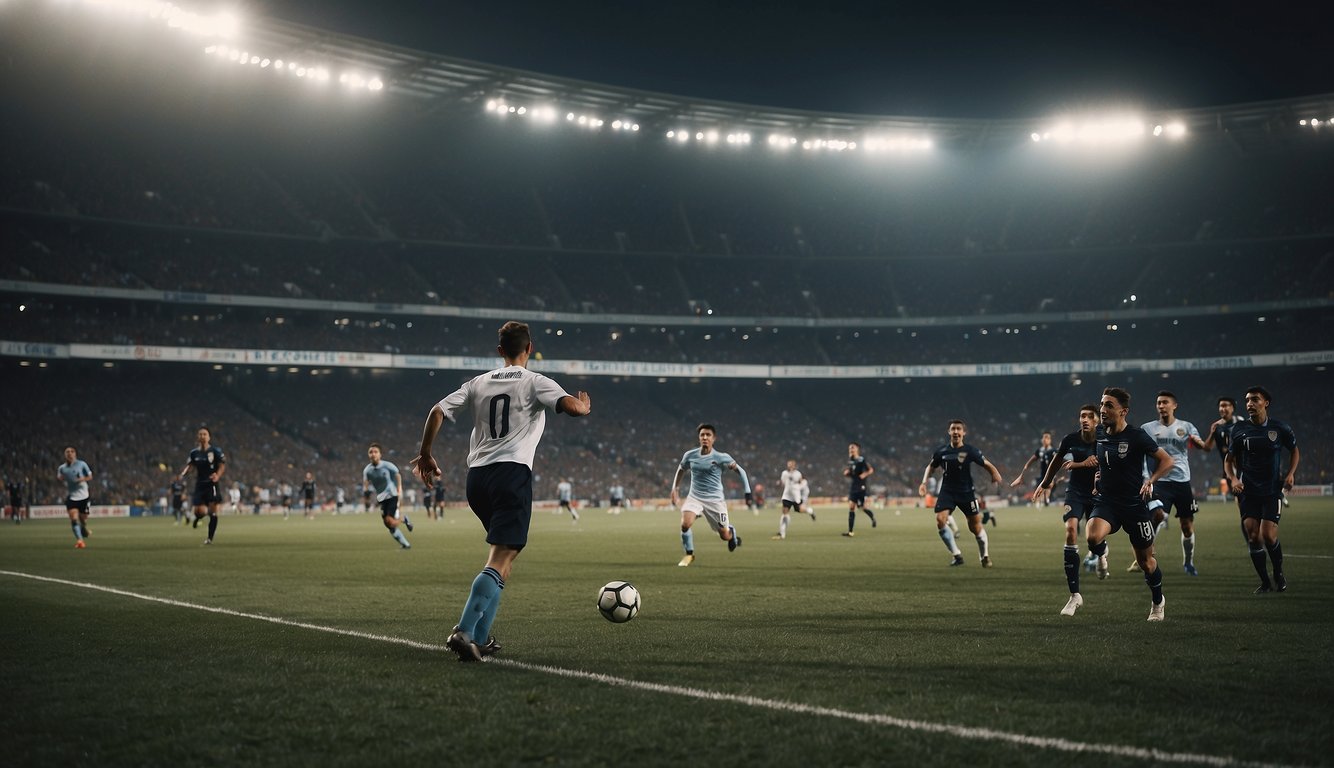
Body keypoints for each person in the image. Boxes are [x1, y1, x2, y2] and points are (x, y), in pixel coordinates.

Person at [412, 321, 590, 662]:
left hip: (477, 479)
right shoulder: (536, 381)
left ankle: (481, 636)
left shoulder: (478, 382)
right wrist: (583, 405)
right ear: (529, 348)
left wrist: (426, 453)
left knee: (503, 558)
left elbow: (437, 411)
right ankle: (464, 631)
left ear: (499, 351)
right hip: (511, 474)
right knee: (500, 558)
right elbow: (571, 407)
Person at [1086, 387, 1176, 621]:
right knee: (1093, 537)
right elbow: (1103, 460)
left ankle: (1158, 602)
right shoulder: (1099, 433)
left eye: (1108, 406)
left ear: (1123, 411)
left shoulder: (1136, 437)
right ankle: (1102, 554)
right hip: (1107, 502)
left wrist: (1151, 480)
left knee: (1146, 563)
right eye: (1102, 404)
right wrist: (1099, 476)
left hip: (1134, 506)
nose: (1102, 409)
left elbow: (1167, 461)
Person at [1225, 386, 1299, 594]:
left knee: (1268, 535)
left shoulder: (1280, 428)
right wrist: (1232, 478)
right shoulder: (1238, 429)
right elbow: (1228, 460)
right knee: (1253, 537)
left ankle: (1278, 572)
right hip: (1248, 490)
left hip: (1271, 490)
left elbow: (1294, 451)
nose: (1250, 403)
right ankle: (1265, 581)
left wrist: (1291, 473)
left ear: (1266, 403)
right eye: (1247, 400)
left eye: (1255, 399)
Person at [1129, 391, 1207, 575]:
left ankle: (1188, 562)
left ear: (1174, 405)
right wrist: (1146, 477)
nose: (1161, 406)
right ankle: (1144, 556)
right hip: (1160, 481)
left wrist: (1201, 440)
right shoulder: (1147, 428)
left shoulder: (1186, 427)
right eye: (1158, 403)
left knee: (1187, 526)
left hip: (1182, 482)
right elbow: (1139, 453)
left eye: (1165, 402)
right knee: (1156, 516)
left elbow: (1203, 446)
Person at [1034, 405, 1101, 616]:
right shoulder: (1070, 439)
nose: (1085, 419)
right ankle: (1074, 596)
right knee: (1071, 530)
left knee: (1094, 538)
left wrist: (1083, 465)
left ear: (1097, 420)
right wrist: (1045, 483)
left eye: (1090, 416)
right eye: (1082, 416)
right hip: (1075, 492)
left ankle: (1101, 555)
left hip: (1098, 491)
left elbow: (1105, 462)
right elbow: (1057, 461)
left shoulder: (1105, 439)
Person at [918, 420, 1003, 566]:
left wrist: (994, 473)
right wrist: (924, 482)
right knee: (940, 520)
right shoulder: (941, 451)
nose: (956, 432)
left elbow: (986, 463)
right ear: (949, 432)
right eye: (953, 429)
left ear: (964, 433)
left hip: (966, 493)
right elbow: (930, 467)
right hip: (947, 491)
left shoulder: (970, 450)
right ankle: (957, 556)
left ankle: (984, 556)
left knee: (975, 526)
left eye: (959, 429)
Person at [670, 423, 752, 567]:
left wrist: (747, 492)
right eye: (702, 435)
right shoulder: (690, 455)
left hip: (715, 501)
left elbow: (741, 471)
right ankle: (689, 554)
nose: (705, 437)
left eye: (708, 435)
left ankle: (731, 531)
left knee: (724, 536)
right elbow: (681, 469)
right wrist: (674, 488)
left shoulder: (722, 457)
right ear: (699, 438)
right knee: (685, 524)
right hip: (695, 497)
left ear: (714, 439)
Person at [178, 427, 225, 545]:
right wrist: (184, 473)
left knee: (213, 512)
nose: (203, 436)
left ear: (209, 437)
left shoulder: (215, 451)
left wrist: (217, 475)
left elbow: (222, 465)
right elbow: (190, 465)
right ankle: (197, 519)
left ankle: (210, 538)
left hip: (212, 484)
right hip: (200, 485)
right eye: (201, 434)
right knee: (198, 511)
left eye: (205, 434)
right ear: (198, 437)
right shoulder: (194, 453)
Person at [363, 443, 412, 549]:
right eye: (370, 452)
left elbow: (398, 474)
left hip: (392, 495)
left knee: (389, 520)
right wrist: (366, 498)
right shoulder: (367, 470)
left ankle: (403, 518)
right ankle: (405, 544)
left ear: (380, 454)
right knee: (389, 526)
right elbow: (365, 485)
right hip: (381, 498)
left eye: (375, 452)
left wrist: (399, 488)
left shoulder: (387, 465)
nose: (373, 454)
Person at [1201, 396, 1245, 497]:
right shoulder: (1217, 426)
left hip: (1243, 467)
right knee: (1238, 496)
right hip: (1228, 469)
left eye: (1225, 405)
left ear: (1232, 408)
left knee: (1247, 497)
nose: (1222, 408)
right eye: (1221, 406)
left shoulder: (1240, 422)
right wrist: (1212, 433)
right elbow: (1207, 448)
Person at [57, 448, 94, 548]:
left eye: (72, 452)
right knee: (74, 518)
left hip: (84, 496)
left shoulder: (82, 464)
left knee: (83, 519)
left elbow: (90, 476)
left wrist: (82, 479)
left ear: (75, 454)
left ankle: (84, 528)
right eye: (67, 452)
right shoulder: (62, 468)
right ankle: (80, 541)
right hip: (72, 497)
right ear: (65, 455)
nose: (70, 454)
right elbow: (60, 477)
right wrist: (61, 479)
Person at [1010, 431, 1057, 510]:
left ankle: (1046, 499)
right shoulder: (1040, 451)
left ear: (1050, 440)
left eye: (1047, 437)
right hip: (1042, 475)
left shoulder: (1053, 451)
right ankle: (1041, 500)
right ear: (1042, 440)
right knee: (1039, 487)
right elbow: (1031, 460)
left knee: (1049, 485)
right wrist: (1026, 467)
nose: (1045, 439)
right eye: (1044, 437)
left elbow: (1059, 461)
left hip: (1050, 475)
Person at [842, 443, 876, 537]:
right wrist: (847, 473)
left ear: (857, 449)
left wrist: (864, 475)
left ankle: (872, 517)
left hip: (861, 486)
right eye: (849, 448)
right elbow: (852, 472)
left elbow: (870, 470)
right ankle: (850, 531)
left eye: (852, 447)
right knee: (851, 507)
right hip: (854, 486)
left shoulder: (861, 460)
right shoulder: (850, 461)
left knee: (862, 507)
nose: (850, 449)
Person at [774, 459, 805, 540]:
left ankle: (810, 511)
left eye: (791, 465)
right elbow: (782, 483)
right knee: (785, 513)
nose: (789, 466)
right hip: (787, 496)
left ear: (794, 466)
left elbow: (802, 482)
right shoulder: (784, 473)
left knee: (800, 510)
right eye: (788, 464)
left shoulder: (798, 474)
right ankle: (782, 533)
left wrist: (799, 489)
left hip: (795, 497)